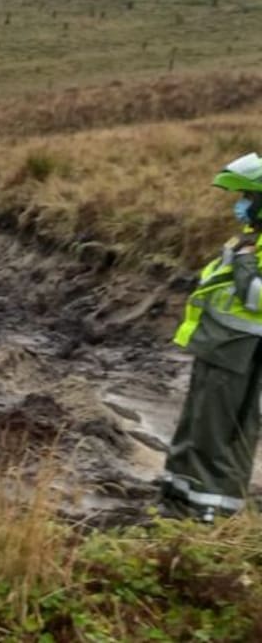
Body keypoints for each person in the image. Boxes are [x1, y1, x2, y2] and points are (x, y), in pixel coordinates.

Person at [161, 152, 262, 521]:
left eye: (249, 198)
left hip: (240, 353)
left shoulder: (252, 249)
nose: (241, 206)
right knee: (197, 426)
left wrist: (246, 261)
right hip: (219, 346)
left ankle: (210, 511)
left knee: (220, 435)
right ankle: (177, 495)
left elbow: (254, 295)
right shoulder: (250, 241)